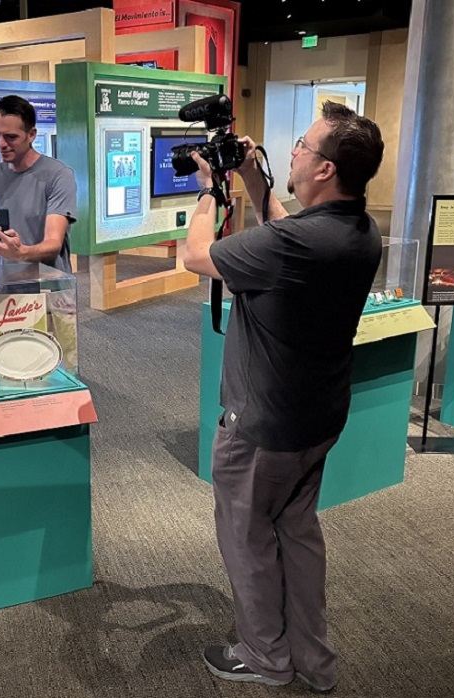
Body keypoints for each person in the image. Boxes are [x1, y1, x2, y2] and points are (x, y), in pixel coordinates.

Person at [182, 101, 385, 692]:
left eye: (303, 144)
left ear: (324, 169)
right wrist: (252, 179)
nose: (293, 150)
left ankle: (264, 656)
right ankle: (312, 659)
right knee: (296, 532)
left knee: (246, 538)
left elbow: (195, 256)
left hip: (262, 425)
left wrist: (208, 195)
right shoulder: (357, 231)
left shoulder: (299, 243)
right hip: (317, 417)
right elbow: (285, 232)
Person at [0, 94, 78, 333]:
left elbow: (53, 244)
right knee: (6, 355)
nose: (1, 144)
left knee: (52, 356)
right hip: (6, 297)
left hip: (49, 294)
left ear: (31, 135)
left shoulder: (58, 176)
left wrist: (20, 253)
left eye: (11, 137)